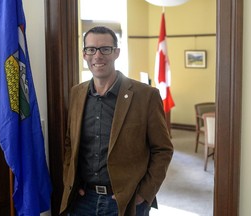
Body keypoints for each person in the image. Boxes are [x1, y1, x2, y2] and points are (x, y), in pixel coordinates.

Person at [59, 26, 173, 216]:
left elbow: (163, 149)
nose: (98, 55)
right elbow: (70, 143)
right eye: (91, 49)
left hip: (125, 202)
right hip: (82, 200)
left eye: (105, 49)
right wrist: (71, 181)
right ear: (84, 54)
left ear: (116, 53)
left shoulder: (145, 95)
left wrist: (144, 194)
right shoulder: (76, 93)